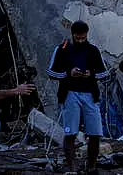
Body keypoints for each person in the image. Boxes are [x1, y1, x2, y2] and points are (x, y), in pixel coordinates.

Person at [47, 21, 110, 175]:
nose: (80, 40)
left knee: (95, 133)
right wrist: (69, 73)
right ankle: (73, 168)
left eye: (83, 38)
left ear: (87, 35)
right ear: (73, 35)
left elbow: (104, 73)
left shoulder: (93, 50)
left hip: (90, 95)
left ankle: (91, 166)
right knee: (70, 132)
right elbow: (51, 72)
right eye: (78, 38)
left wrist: (91, 74)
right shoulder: (62, 49)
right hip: (70, 94)